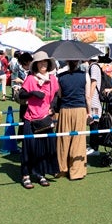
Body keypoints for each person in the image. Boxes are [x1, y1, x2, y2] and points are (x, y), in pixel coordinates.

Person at [18, 51, 60, 188]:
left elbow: (56, 96)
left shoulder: (52, 79)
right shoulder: (30, 78)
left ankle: (40, 173)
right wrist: (33, 93)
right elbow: (22, 94)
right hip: (30, 118)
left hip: (45, 118)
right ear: (35, 65)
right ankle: (25, 175)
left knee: (43, 148)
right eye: (40, 62)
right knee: (29, 147)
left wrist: (53, 107)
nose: (43, 64)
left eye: (45, 62)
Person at [55, 60, 89, 180]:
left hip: (65, 109)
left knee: (63, 139)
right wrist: (88, 111)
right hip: (80, 108)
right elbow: (87, 96)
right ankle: (76, 171)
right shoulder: (85, 75)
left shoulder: (60, 76)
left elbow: (59, 95)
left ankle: (62, 168)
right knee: (78, 140)